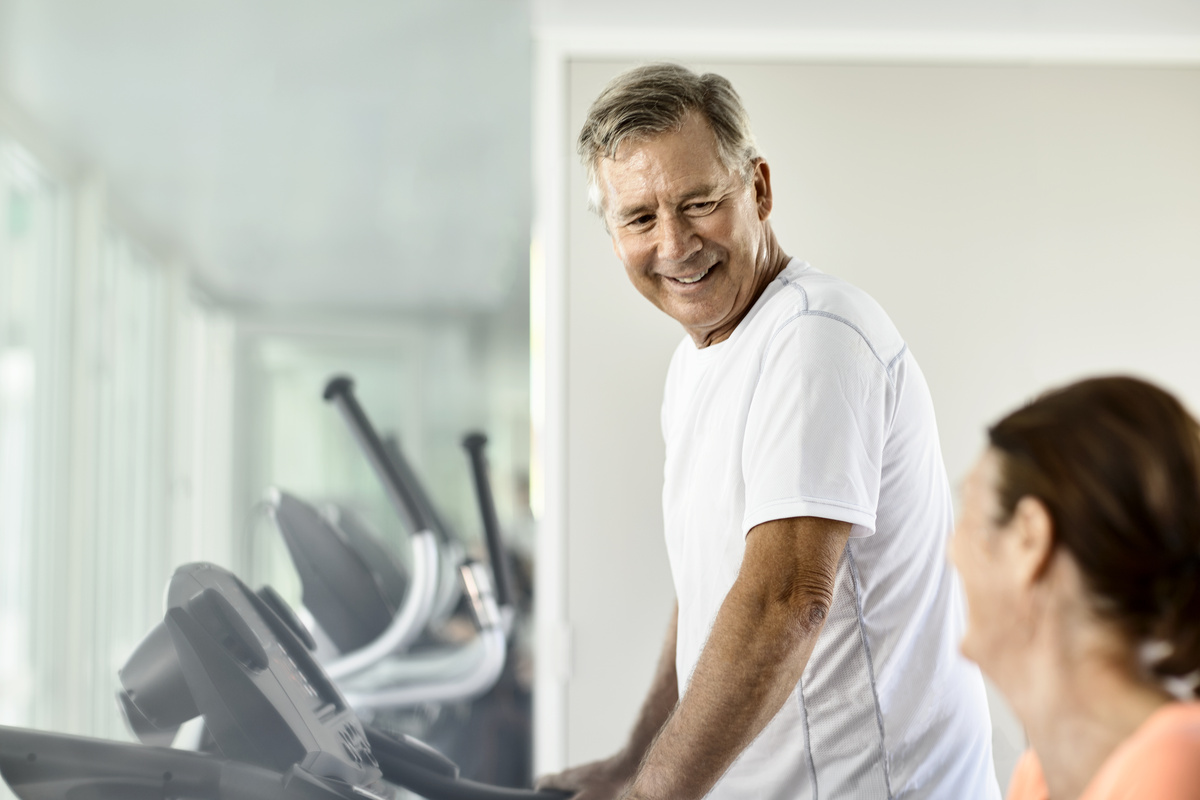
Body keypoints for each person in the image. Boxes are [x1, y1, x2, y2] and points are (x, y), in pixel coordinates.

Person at [538, 63, 998, 800]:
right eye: (640, 219)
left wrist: (652, 797)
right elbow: (713, 590)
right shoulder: (698, 365)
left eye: (699, 202)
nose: (675, 244)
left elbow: (785, 600)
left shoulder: (816, 337)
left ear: (758, 188)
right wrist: (633, 763)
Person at [951, 376, 1200, 800]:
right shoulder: (1038, 777)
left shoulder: (1175, 769)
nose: (951, 552)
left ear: (1029, 540)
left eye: (970, 518)